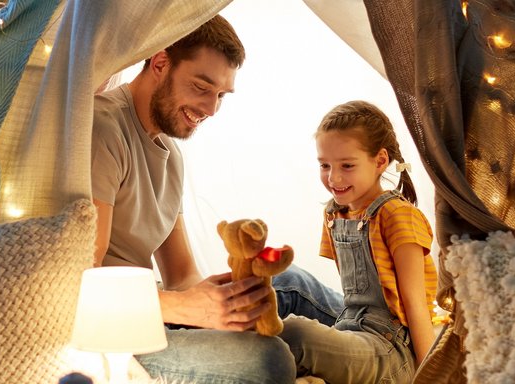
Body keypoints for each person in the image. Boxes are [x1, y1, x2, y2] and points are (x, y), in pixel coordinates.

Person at [90, 15, 342, 383]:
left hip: (156, 309)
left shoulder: (170, 155)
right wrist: (186, 308)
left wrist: (223, 300)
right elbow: (82, 284)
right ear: (160, 63)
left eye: (221, 95)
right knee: (269, 360)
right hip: (118, 332)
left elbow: (180, 274)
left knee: (289, 282)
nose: (211, 109)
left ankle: (383, 343)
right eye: (201, 87)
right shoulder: (104, 129)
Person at [279, 100, 438, 383]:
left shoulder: (398, 216)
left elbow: (416, 306)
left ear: (379, 161)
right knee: (282, 281)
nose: (333, 177)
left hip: (392, 349)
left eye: (347, 165)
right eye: (324, 165)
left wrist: (429, 377)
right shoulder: (334, 214)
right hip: (351, 328)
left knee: (294, 334)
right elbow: (353, 300)